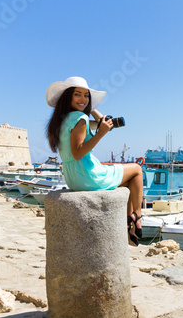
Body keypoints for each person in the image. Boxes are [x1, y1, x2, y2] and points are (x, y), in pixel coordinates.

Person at [45, 76, 143, 246]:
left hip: (74, 177)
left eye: (86, 95)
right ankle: (138, 216)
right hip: (87, 175)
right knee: (136, 170)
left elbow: (100, 122)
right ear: (68, 97)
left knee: (127, 181)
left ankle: (128, 224)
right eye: (77, 95)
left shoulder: (63, 118)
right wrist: (100, 134)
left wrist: (88, 108)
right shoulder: (79, 119)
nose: (83, 99)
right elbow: (78, 152)